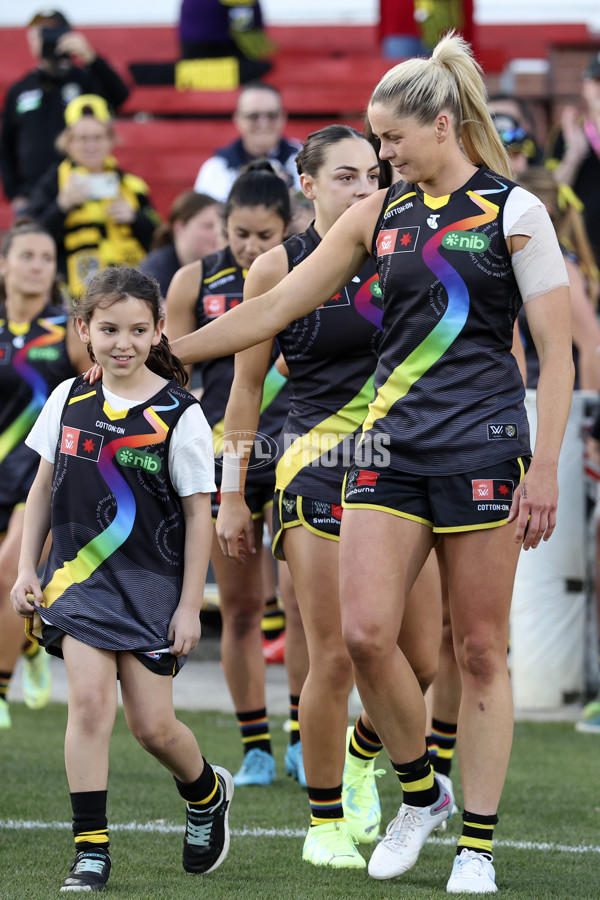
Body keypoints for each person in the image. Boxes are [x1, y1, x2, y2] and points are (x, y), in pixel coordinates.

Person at [169, 30, 574, 893]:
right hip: (384, 452)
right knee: (361, 636)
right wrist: (179, 352)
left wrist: (543, 470)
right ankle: (420, 793)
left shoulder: (515, 210)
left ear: (440, 124)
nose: (380, 156)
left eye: (390, 140)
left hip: (483, 451)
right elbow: (278, 303)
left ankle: (477, 847)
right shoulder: (378, 215)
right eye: (372, 143)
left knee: (478, 652)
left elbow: (556, 353)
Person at [213, 124, 443, 868]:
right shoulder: (277, 266)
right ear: (306, 185)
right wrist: (230, 495)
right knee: (336, 654)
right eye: (345, 177)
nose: (365, 189)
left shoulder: (404, 250)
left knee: (422, 655)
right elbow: (246, 391)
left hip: (401, 466)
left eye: (373, 175)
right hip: (311, 463)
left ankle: (363, 753)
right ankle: (325, 823)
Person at [10, 266, 233, 892]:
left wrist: (191, 607)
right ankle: (91, 852)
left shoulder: (181, 414)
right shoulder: (67, 399)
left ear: (160, 329)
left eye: (138, 329)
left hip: (154, 591)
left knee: (153, 729)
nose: (123, 342)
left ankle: (207, 790)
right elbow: (41, 490)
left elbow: (198, 516)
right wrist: (29, 567)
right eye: (108, 329)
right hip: (78, 581)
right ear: (84, 330)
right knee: (87, 705)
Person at [166, 160, 308, 789]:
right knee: (244, 608)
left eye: (265, 234)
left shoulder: (309, 271)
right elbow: (173, 380)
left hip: (304, 450)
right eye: (240, 233)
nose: (252, 246)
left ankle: (306, 736)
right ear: (222, 225)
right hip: (230, 456)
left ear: (289, 226)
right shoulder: (193, 280)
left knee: (305, 608)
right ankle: (256, 745)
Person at [0, 220, 91, 730]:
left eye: (45, 257)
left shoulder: (66, 330)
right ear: (4, 265)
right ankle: (30, 646)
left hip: (35, 476)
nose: (37, 265)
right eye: (27, 255)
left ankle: (0, 690)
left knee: (8, 569)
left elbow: (92, 385)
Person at [25, 94, 160, 299]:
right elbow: (29, 239)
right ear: (68, 142)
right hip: (73, 295)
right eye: (83, 138)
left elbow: (160, 239)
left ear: (111, 141)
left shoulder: (132, 185)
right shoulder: (51, 185)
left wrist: (135, 218)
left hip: (131, 291)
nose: (91, 145)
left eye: (98, 137)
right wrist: (61, 207)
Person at [0, 9, 129, 214]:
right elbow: (5, 144)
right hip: (32, 195)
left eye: (51, 33)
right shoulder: (20, 89)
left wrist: (91, 57)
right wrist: (14, 193)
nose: (45, 41)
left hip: (83, 189)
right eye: (39, 35)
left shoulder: (85, 80)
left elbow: (120, 97)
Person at [515, 166, 600, 391]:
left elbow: (593, 345)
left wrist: (588, 420)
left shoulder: (560, 266)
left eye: (515, 211)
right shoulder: (532, 262)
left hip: (558, 409)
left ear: (544, 212)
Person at [193, 83, 302, 202]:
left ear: (283, 117)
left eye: (272, 115)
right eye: (253, 116)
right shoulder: (216, 170)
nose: (263, 123)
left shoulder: (306, 160)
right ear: (238, 119)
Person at [545, 51, 600, 267]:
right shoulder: (564, 134)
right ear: (584, 86)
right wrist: (573, 155)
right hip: (582, 246)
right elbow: (549, 192)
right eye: (597, 81)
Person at [138, 190, 222, 299]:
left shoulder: (224, 263)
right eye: (208, 226)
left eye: (220, 226)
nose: (217, 232)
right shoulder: (154, 270)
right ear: (180, 227)